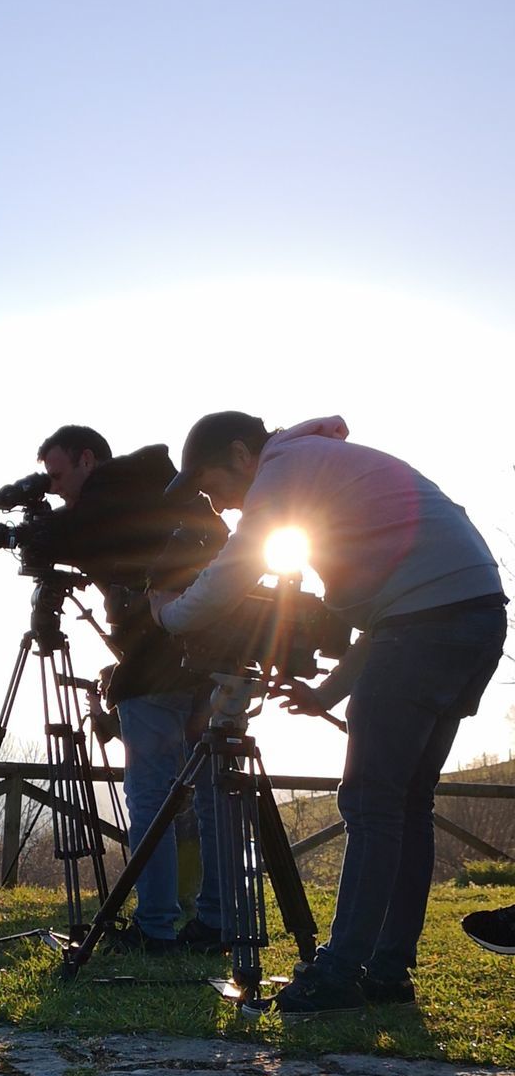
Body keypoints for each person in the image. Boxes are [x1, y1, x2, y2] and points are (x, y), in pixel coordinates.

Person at [149, 411, 508, 1015]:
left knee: (368, 803)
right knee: (406, 803)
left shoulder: (285, 469)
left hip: (426, 631)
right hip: (473, 621)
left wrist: (169, 615)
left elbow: (238, 568)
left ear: (241, 453)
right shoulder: (325, 465)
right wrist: (329, 692)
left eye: (213, 486)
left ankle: (339, 973)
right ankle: (388, 971)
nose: (222, 504)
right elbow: (405, 602)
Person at [28, 424, 228, 955]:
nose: (57, 490)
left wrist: (25, 532)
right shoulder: (165, 493)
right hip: (213, 664)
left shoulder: (102, 507)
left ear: (87, 460)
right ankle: (217, 921)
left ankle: (157, 925)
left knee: (150, 799)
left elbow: (62, 538)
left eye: (58, 476)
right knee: (212, 799)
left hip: (154, 670)